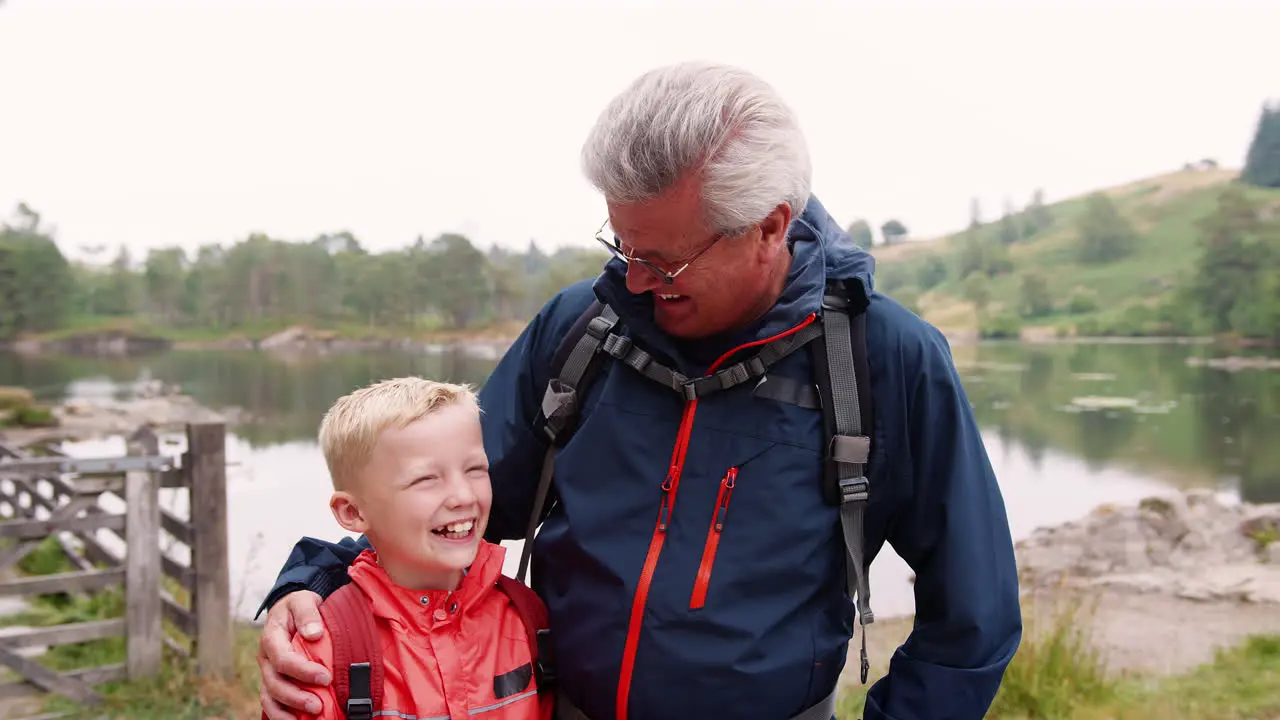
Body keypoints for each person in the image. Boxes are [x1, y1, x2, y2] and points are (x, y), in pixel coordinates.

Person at [257, 61, 1022, 720]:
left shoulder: (883, 359)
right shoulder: (583, 326)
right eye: (621, 244)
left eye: (666, 260)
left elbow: (973, 617)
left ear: (768, 227)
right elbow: (451, 504)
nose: (634, 277)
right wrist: (316, 582)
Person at [273, 376, 553, 720]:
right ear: (353, 512)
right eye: (425, 479)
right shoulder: (325, 650)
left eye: (476, 469)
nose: (464, 496)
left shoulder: (526, 616)